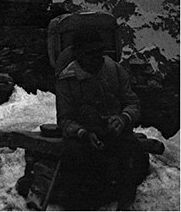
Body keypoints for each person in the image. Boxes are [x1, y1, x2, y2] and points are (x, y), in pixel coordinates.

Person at [55, 29, 146, 210]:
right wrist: (83, 133)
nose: (97, 58)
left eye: (100, 52)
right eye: (91, 54)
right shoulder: (67, 79)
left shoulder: (114, 70)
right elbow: (65, 119)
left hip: (115, 131)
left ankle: (124, 200)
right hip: (86, 135)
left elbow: (133, 103)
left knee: (135, 158)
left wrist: (123, 118)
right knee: (75, 158)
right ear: (79, 55)